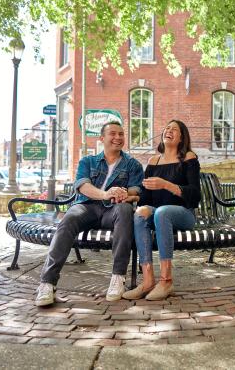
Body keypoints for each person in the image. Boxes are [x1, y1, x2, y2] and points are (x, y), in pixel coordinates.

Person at [35, 121, 143, 306]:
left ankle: (118, 278)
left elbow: (136, 189)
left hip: (114, 210)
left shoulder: (132, 164)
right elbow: (83, 186)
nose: (118, 138)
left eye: (121, 134)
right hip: (87, 206)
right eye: (113, 134)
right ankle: (47, 282)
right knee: (69, 218)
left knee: (125, 210)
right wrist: (105, 194)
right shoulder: (88, 161)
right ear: (102, 138)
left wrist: (126, 194)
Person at [123, 119, 201, 301]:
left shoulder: (189, 158)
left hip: (184, 214)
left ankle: (166, 280)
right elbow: (147, 199)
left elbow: (195, 195)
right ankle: (148, 280)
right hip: (159, 214)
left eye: (174, 129)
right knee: (141, 212)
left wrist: (166, 185)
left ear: (182, 138)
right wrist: (133, 198)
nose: (169, 131)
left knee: (162, 211)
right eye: (167, 128)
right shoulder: (153, 161)